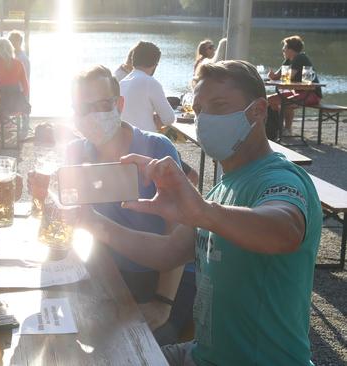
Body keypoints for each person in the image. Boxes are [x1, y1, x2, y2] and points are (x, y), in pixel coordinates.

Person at [72, 60, 321, 365]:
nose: (205, 119)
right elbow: (167, 252)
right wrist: (89, 221)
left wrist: (203, 211)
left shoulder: (279, 178)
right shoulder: (221, 190)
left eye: (218, 105)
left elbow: (286, 230)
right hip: (203, 355)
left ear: (257, 110)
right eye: (199, 110)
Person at [29, 65, 191, 343]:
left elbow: (179, 232)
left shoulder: (157, 149)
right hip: (109, 272)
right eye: (84, 108)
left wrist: (163, 302)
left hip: (164, 279)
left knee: (144, 346)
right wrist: (46, 198)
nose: (93, 115)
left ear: (120, 104)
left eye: (103, 104)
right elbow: (70, 220)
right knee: (61, 335)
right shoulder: (75, 151)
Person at [267, 35, 322, 137]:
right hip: (298, 92)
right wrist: (271, 75)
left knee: (286, 103)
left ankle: (287, 130)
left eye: (284, 47)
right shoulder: (288, 60)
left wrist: (277, 77)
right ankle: (279, 127)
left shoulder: (300, 58)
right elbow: (276, 77)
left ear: (291, 49)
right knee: (269, 100)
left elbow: (287, 77)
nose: (282, 50)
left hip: (311, 93)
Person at [119, 41, 174, 133]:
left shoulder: (121, 83)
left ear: (133, 60)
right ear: (155, 64)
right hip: (145, 140)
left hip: (124, 139)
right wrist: (155, 119)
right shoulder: (151, 83)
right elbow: (169, 118)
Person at [0, 38, 30, 142]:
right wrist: (22, 100)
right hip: (15, 105)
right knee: (0, 104)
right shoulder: (18, 63)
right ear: (11, 49)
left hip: (0, 103)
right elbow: (26, 86)